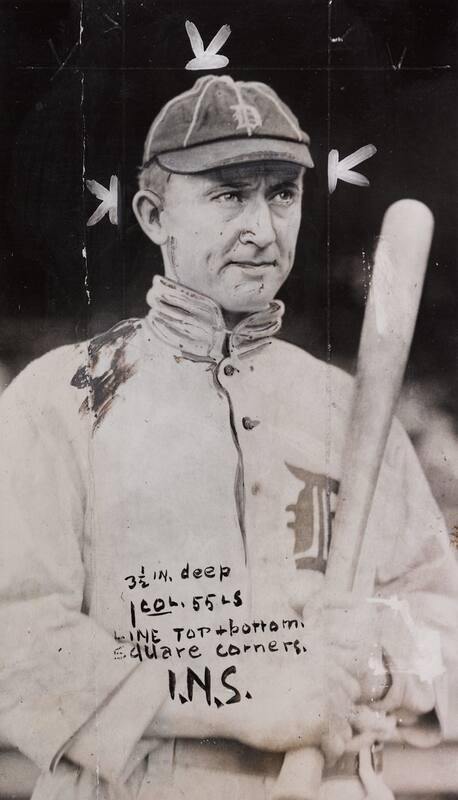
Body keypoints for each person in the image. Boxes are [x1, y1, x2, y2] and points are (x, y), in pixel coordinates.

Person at [0, 74, 457, 800]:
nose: (261, 227)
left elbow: (444, 621)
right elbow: (17, 641)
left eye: (282, 193)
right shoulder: (62, 400)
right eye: (227, 194)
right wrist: (243, 701)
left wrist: (375, 658)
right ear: (154, 216)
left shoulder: (345, 406)